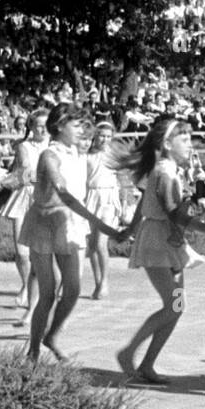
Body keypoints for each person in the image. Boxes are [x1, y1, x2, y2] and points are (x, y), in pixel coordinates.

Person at [20, 104, 124, 362]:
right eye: (76, 125)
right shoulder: (49, 155)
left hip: (70, 223)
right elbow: (64, 192)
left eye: (84, 126)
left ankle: (51, 336)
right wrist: (102, 224)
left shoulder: (79, 154)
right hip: (44, 223)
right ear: (58, 126)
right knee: (48, 292)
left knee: (74, 289)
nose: (82, 130)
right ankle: (33, 351)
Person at [115, 116, 205, 384]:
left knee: (177, 305)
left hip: (171, 242)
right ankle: (128, 352)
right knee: (173, 304)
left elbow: (146, 204)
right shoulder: (164, 172)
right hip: (158, 242)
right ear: (168, 144)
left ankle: (148, 364)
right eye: (185, 139)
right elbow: (174, 214)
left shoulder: (167, 170)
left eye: (191, 139)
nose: (190, 145)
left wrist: (130, 229)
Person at [0, 109, 48, 325]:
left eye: (46, 124)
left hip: (45, 198)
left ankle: (32, 296)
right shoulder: (23, 146)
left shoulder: (55, 146)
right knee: (21, 252)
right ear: (31, 126)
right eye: (38, 124)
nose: (42, 128)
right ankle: (26, 286)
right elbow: (26, 169)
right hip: (25, 196)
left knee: (40, 252)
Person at [84, 120, 122, 299]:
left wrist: (124, 201)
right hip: (90, 198)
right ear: (95, 135)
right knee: (91, 245)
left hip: (108, 199)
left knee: (101, 242)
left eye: (108, 136)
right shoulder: (86, 154)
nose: (104, 139)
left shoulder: (115, 154)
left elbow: (124, 178)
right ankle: (98, 281)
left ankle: (105, 281)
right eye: (101, 135)